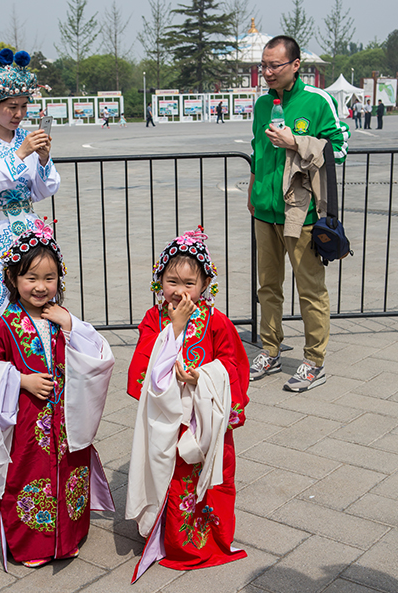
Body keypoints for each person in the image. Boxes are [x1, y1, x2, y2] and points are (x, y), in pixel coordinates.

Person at [0, 220, 115, 569]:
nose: (41, 287)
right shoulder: (6, 324)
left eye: (50, 278)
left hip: (66, 419)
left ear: (60, 279)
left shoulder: (61, 319)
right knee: (27, 476)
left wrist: (71, 325)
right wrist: (19, 380)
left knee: (71, 473)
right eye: (31, 278)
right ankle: (31, 545)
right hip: (28, 422)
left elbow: (97, 353)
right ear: (13, 279)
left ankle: (68, 538)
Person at [126, 227, 249, 582]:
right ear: (158, 281)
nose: (179, 291)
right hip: (168, 420)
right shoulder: (154, 320)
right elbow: (142, 368)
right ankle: (170, 539)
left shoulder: (217, 321)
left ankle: (204, 541)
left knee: (204, 481)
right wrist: (174, 330)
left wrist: (206, 377)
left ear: (205, 283)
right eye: (171, 281)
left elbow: (233, 364)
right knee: (171, 478)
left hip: (201, 419)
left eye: (189, 283)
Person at [247, 35, 349, 392]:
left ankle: (313, 360)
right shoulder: (262, 105)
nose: (267, 71)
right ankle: (270, 349)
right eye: (264, 65)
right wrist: (253, 191)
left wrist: (296, 143)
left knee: (310, 289)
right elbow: (257, 151)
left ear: (295, 64)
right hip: (265, 210)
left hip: (301, 212)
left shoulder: (318, 101)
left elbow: (340, 147)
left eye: (275, 65)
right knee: (268, 287)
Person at [0, 48, 60, 410]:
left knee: (34, 302)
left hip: (28, 230)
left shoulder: (26, 139)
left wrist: (44, 161)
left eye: (22, 106)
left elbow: (43, 189)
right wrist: (20, 157)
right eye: (10, 106)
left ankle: (36, 374)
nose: (18, 114)